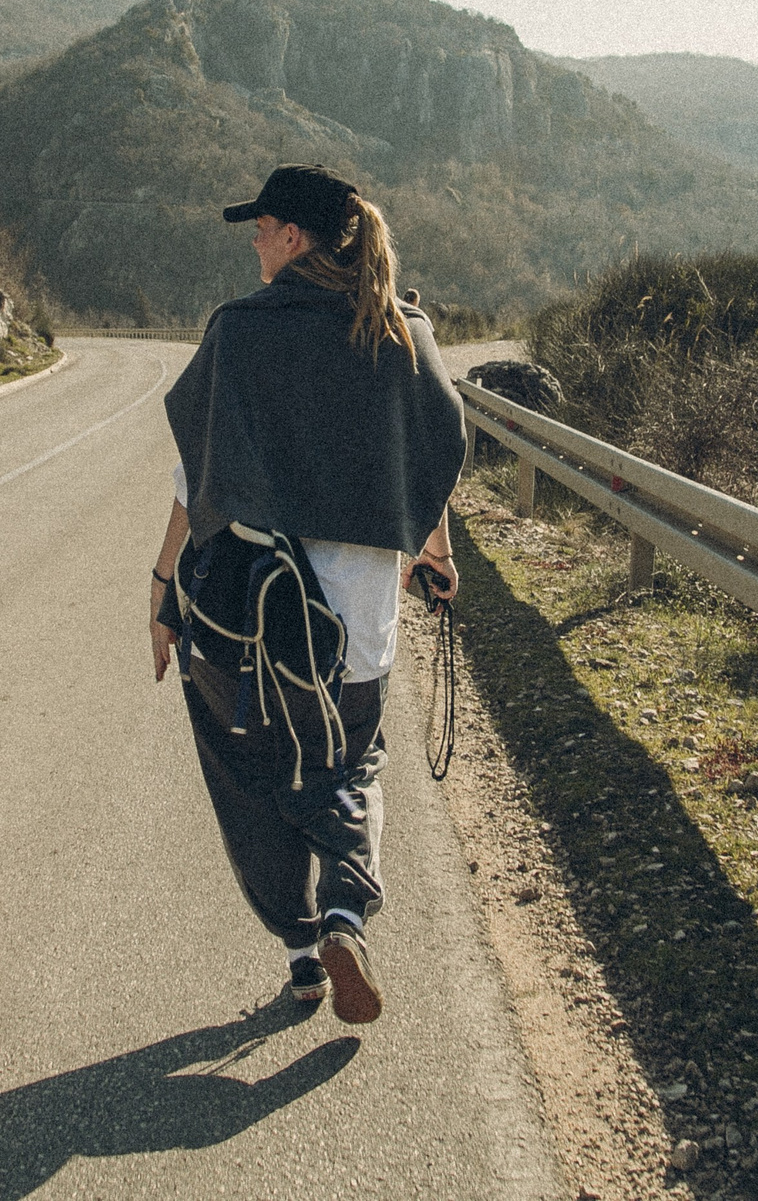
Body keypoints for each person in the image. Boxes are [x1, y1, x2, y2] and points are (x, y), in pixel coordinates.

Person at [148, 164, 466, 1024]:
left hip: (240, 617)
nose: (252, 239)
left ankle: (300, 954)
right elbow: (427, 460)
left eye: (261, 227)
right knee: (350, 763)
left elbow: (197, 478)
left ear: (294, 237)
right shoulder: (404, 335)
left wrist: (162, 589)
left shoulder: (241, 333)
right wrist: (434, 551)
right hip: (354, 625)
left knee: (250, 774)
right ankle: (344, 914)